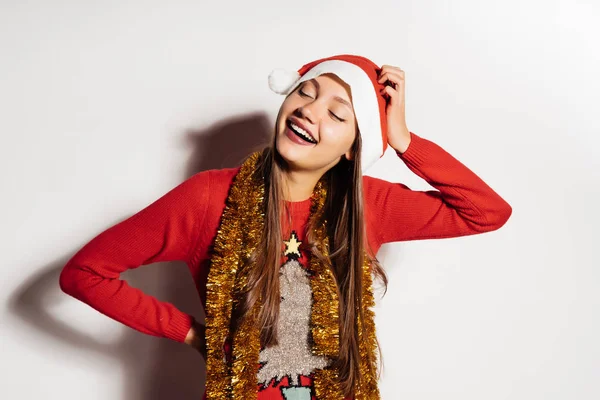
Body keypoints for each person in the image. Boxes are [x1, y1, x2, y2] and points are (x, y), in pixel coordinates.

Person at [59, 54, 512, 400]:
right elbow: (84, 273)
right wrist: (195, 333)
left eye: (338, 114)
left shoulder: (368, 204)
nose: (309, 111)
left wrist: (404, 140)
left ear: (356, 147)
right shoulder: (206, 198)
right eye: (305, 93)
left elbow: (485, 211)